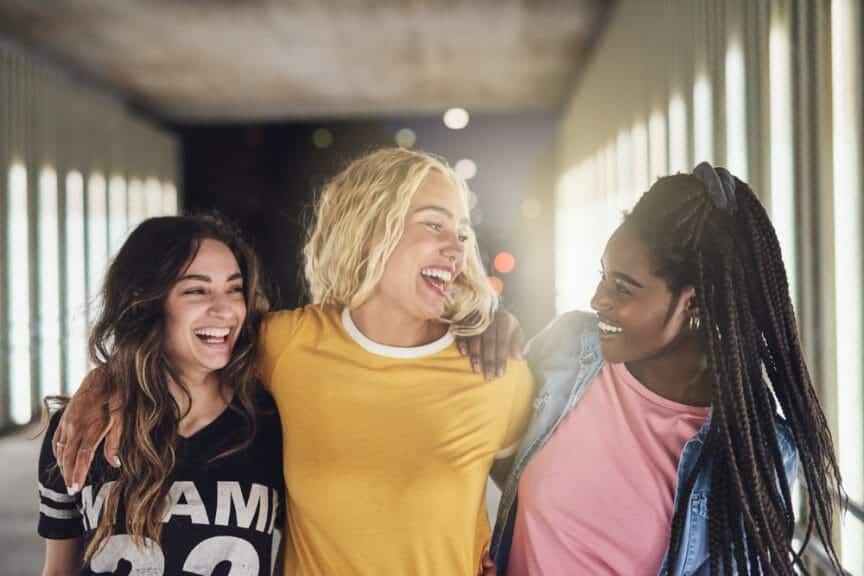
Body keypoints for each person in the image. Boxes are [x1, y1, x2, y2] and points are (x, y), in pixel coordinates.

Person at [51, 147, 534, 576]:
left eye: (463, 232)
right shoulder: (287, 345)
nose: (458, 247)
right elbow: (183, 346)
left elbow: (539, 505)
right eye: (434, 223)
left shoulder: (496, 373)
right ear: (369, 230)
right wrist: (105, 379)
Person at [489, 164, 844, 575]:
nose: (597, 298)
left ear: (691, 303)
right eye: (602, 277)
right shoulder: (569, 347)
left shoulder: (752, 452)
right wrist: (489, 331)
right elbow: (492, 454)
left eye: (622, 287)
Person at [38, 215, 284, 576]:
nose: (225, 309)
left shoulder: (271, 425)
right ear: (147, 303)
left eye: (234, 289)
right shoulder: (82, 430)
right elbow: (59, 570)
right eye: (196, 291)